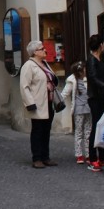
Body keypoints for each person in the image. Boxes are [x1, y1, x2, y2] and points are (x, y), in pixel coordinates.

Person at [19, 40, 60, 169]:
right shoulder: (29, 66)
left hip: (48, 102)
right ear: (35, 52)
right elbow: (24, 86)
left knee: (46, 130)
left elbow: (52, 78)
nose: (45, 50)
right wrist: (30, 103)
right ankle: (36, 158)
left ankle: (45, 156)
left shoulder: (45, 64)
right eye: (42, 49)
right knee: (37, 130)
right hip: (37, 103)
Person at [85, 35, 104, 172]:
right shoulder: (91, 60)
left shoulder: (100, 60)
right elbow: (93, 77)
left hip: (102, 97)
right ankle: (93, 158)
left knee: (103, 126)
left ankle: (102, 156)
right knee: (96, 126)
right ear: (101, 45)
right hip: (95, 97)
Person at [61, 61, 91, 164]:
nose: (86, 71)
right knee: (79, 131)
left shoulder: (89, 79)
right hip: (78, 108)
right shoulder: (72, 80)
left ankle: (88, 153)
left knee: (88, 131)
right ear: (80, 72)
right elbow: (65, 93)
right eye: (84, 69)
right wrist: (58, 101)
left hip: (89, 107)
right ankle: (79, 154)